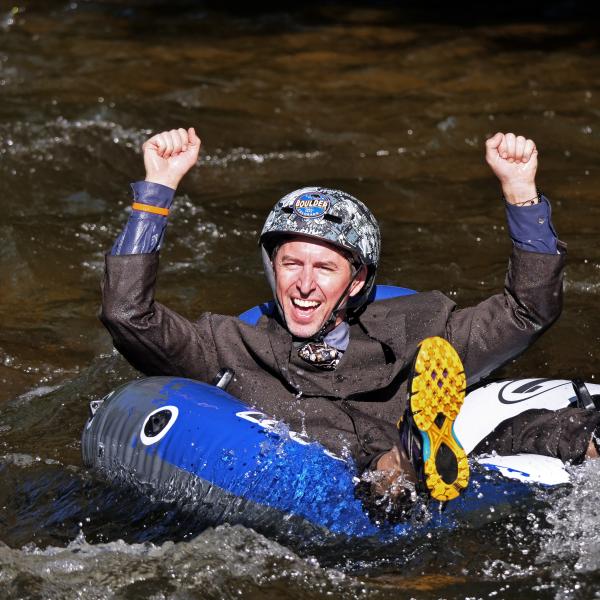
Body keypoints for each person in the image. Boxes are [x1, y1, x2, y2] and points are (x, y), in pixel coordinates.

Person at [100, 127, 600, 519]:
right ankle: (410, 457)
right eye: (291, 264)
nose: (304, 284)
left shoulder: (420, 330)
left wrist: (521, 193)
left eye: (325, 269)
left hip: (422, 461)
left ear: (357, 281)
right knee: (384, 476)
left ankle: (450, 448)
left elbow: (526, 310)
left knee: (559, 430)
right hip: (340, 483)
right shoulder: (225, 346)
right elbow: (128, 315)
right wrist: (157, 191)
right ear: (272, 270)